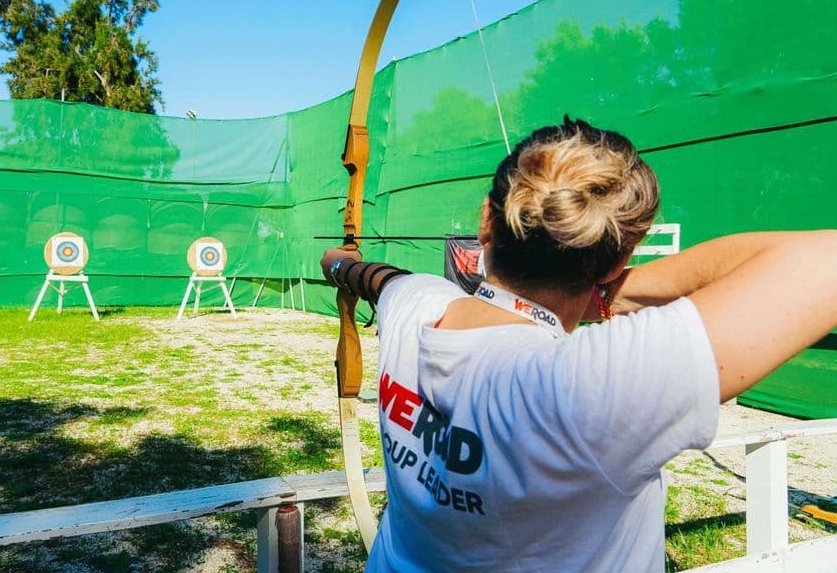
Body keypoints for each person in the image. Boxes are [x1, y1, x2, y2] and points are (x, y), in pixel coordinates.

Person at [320, 116, 837, 572]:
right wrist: (614, 292)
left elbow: (373, 276)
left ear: (484, 222)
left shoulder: (416, 303)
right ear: (615, 263)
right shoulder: (577, 389)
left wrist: (338, 263)